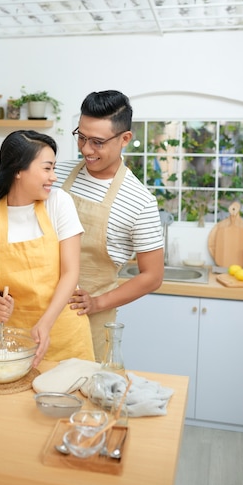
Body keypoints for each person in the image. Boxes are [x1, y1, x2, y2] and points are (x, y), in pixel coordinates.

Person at [0, 129, 95, 368]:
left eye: (54, 168)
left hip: (68, 336)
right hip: (18, 343)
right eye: (47, 168)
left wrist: (45, 324)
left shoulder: (58, 203)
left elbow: (70, 273)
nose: (54, 177)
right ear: (18, 170)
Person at [54, 90, 164, 361]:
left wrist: (97, 303)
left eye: (97, 142)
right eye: (81, 136)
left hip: (88, 323)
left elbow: (152, 276)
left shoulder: (140, 202)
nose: (86, 149)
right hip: (38, 311)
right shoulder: (56, 174)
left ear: (125, 138)